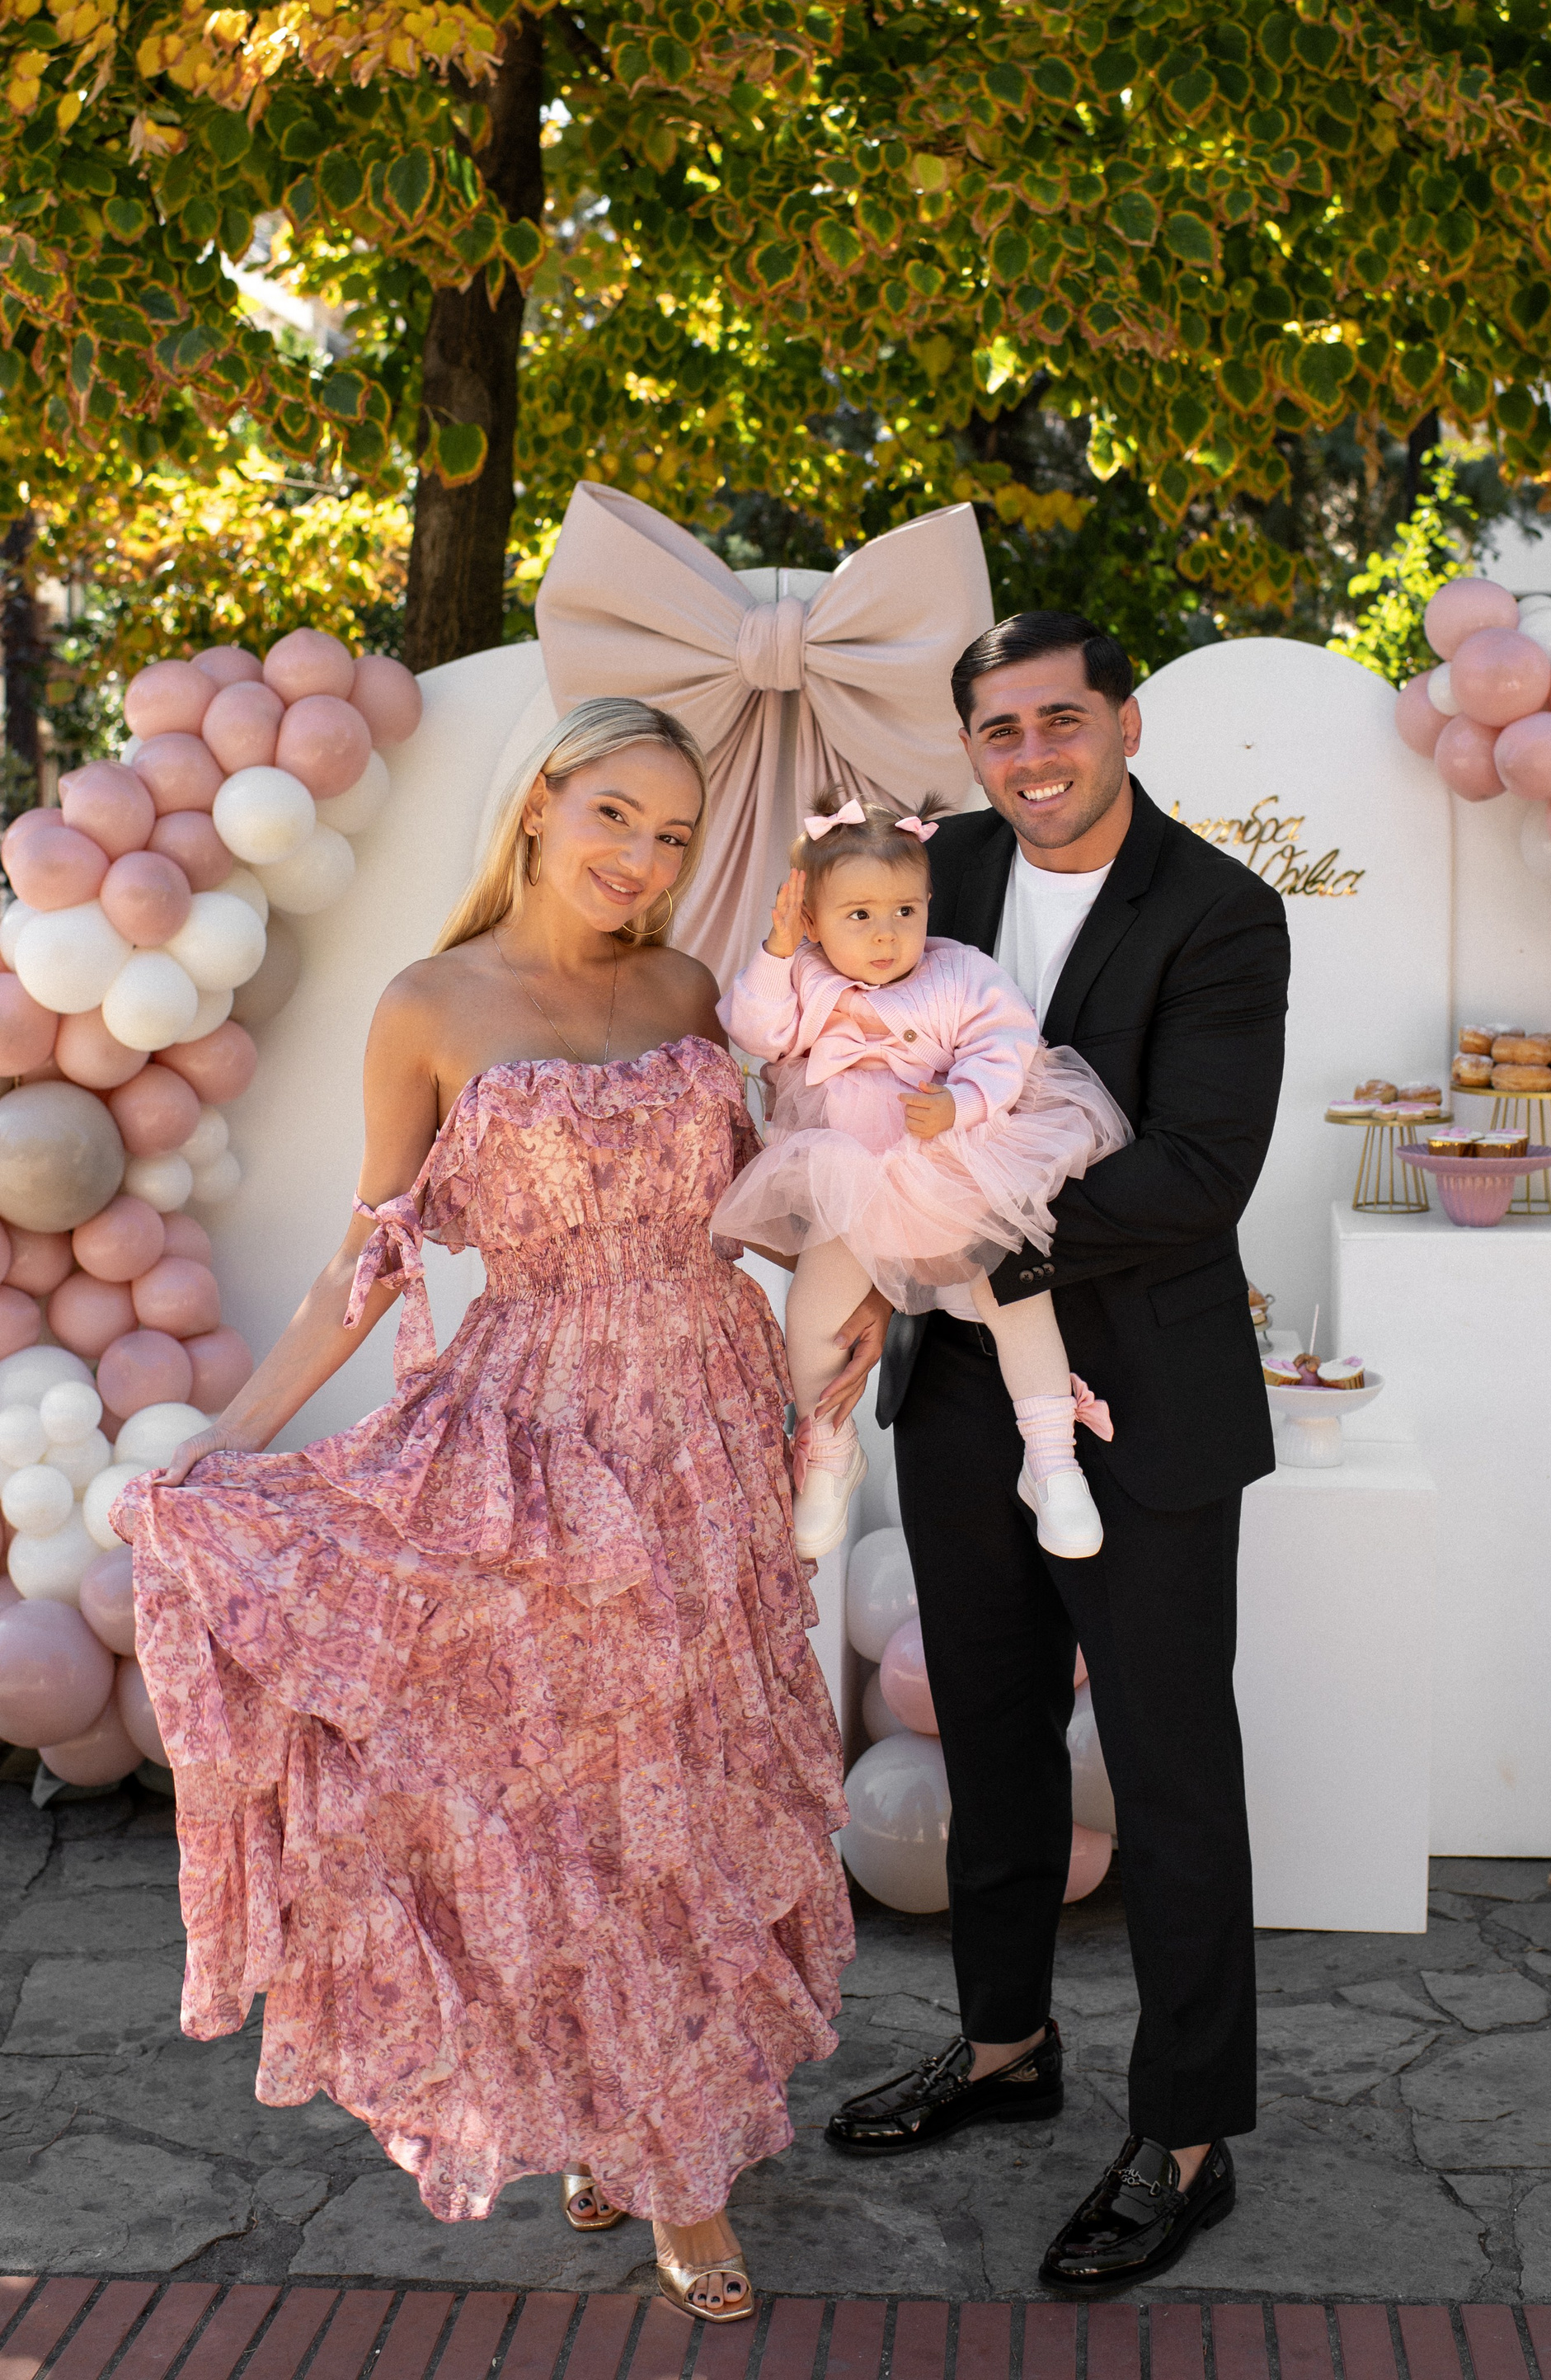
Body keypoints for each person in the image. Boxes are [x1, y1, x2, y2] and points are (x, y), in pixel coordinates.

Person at [112, 696, 853, 2326]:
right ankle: (656, 2148)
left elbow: (752, 1206)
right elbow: (370, 1258)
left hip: (707, 1437)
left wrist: (863, 1275)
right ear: (540, 805)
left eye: (673, 834)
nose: (640, 857)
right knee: (570, 1809)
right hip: (533, 1450)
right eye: (614, 816)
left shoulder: (687, 991)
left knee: (688, 1796)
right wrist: (228, 1437)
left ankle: (650, 2132)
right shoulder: (431, 1004)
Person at [821, 612, 1290, 2296]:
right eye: (1000, 730)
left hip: (1145, 1396)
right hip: (960, 1388)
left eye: (1060, 720)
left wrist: (963, 1241)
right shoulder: (933, 874)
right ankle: (1006, 2043)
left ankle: (1188, 2135)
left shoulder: (1220, 911)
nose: (1032, 755)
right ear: (970, 748)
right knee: (993, 1732)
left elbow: (1197, 1172)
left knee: (1169, 1771)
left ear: (1126, 724)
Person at [713, 789, 1130, 1561]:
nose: (886, 934)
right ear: (814, 922)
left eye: (905, 911)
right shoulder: (804, 976)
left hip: (952, 1166)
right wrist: (776, 951)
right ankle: (829, 1444)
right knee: (814, 1307)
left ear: (928, 905)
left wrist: (962, 1102)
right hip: (852, 1179)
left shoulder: (960, 971)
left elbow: (1008, 1044)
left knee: (1014, 1293)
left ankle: (1051, 1457)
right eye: (859, 915)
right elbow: (754, 1030)